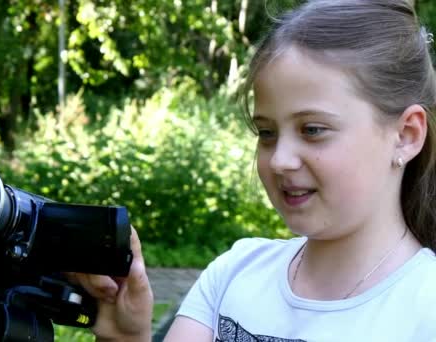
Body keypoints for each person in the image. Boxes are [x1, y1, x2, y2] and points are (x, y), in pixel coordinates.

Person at [68, 0, 436, 340]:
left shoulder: (424, 307)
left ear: (405, 135)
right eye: (267, 133)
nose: (279, 160)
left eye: (312, 130)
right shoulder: (234, 273)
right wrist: (126, 338)